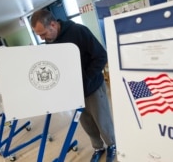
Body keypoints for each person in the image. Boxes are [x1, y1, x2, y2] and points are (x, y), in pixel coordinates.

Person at [30, 9, 116, 162]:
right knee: (87, 123)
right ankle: (98, 147)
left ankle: (112, 145)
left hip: (92, 87)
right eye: (39, 35)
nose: (42, 38)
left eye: (43, 34)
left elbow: (101, 56)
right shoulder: (50, 43)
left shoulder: (78, 31)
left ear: (53, 24)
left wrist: (86, 78)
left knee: (102, 121)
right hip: (74, 93)